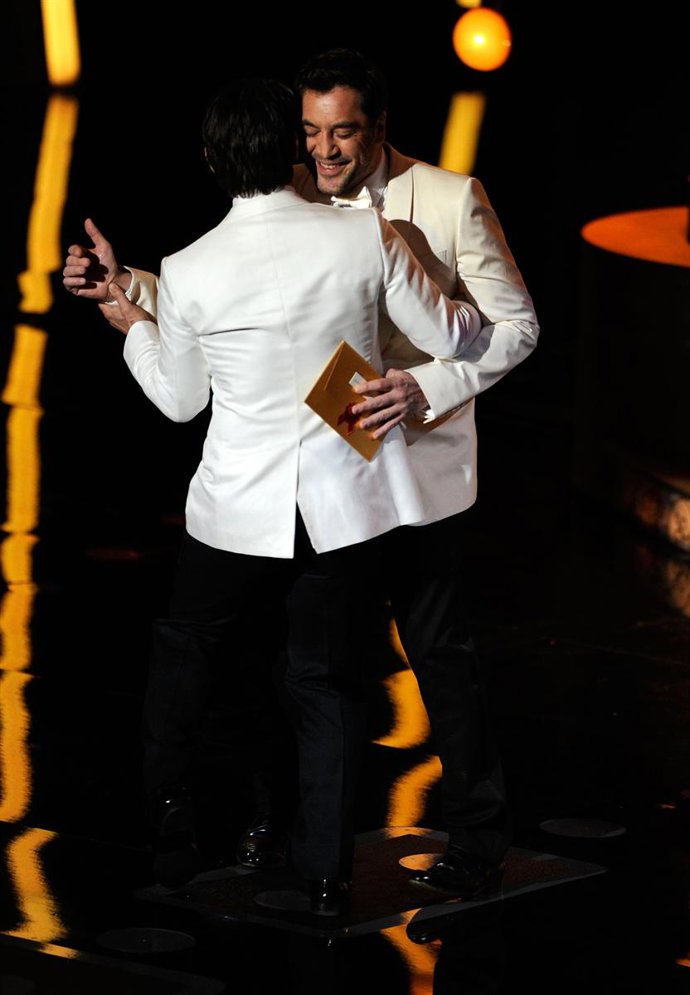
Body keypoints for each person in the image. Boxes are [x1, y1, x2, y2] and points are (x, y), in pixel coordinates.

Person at [63, 48, 540, 902]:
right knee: (311, 670)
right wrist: (131, 286)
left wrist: (424, 384)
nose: (324, 153)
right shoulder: (317, 216)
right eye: (311, 135)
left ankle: (476, 835)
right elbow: (254, 297)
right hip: (333, 484)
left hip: (415, 468)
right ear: (292, 139)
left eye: (342, 134)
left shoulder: (447, 199)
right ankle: (301, 839)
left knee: (437, 661)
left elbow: (511, 329)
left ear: (379, 128)